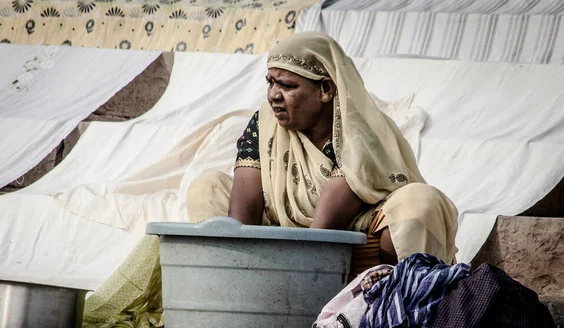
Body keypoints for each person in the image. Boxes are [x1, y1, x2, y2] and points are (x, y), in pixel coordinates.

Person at [187, 31, 459, 272]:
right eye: (270, 82)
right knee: (207, 186)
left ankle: (397, 302)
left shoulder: (358, 130)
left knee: (420, 202)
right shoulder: (266, 124)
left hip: (349, 242)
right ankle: (230, 293)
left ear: (326, 89)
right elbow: (240, 221)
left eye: (287, 85)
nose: (273, 95)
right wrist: (242, 264)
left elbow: (321, 235)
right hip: (278, 242)